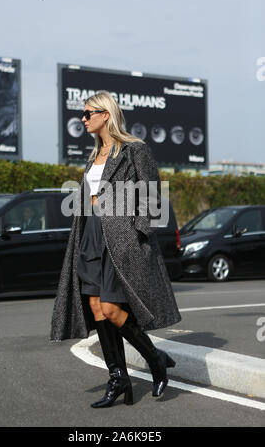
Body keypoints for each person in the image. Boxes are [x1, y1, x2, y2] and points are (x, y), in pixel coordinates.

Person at [50, 91, 181, 408]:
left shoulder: (135, 150)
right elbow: (86, 202)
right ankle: (118, 377)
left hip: (119, 238)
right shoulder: (92, 156)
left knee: (110, 309)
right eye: (83, 114)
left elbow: (150, 196)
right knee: (97, 309)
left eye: (88, 113)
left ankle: (155, 359)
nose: (83, 119)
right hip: (90, 235)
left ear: (105, 114)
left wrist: (137, 234)